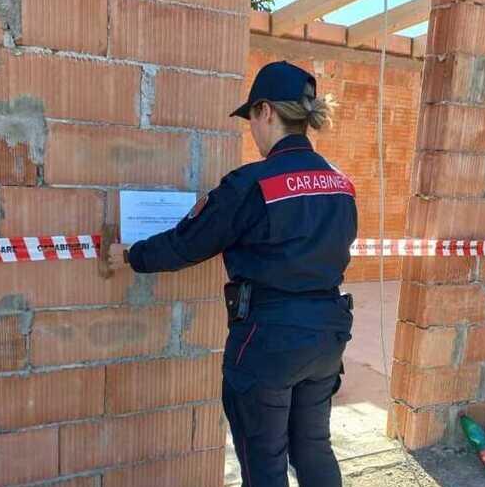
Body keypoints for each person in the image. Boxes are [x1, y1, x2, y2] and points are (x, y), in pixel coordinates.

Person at [109, 61, 357, 487]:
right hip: (328, 335)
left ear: (265, 111)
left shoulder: (251, 184)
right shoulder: (341, 183)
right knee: (314, 448)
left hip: (269, 342)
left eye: (251, 121)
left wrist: (131, 256)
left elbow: (187, 244)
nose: (253, 133)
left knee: (265, 463)